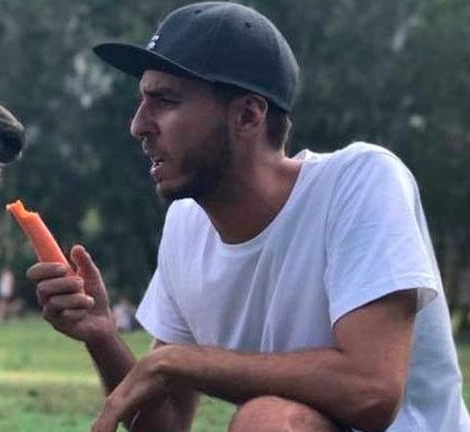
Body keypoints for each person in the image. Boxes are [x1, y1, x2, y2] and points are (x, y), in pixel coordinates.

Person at [27, 2, 470, 432]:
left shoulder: (360, 182)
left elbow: (371, 391)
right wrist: (103, 335)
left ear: (247, 115)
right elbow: (164, 424)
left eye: (163, 100)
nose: (138, 125)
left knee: (270, 422)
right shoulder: (187, 225)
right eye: (142, 101)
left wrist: (181, 361)